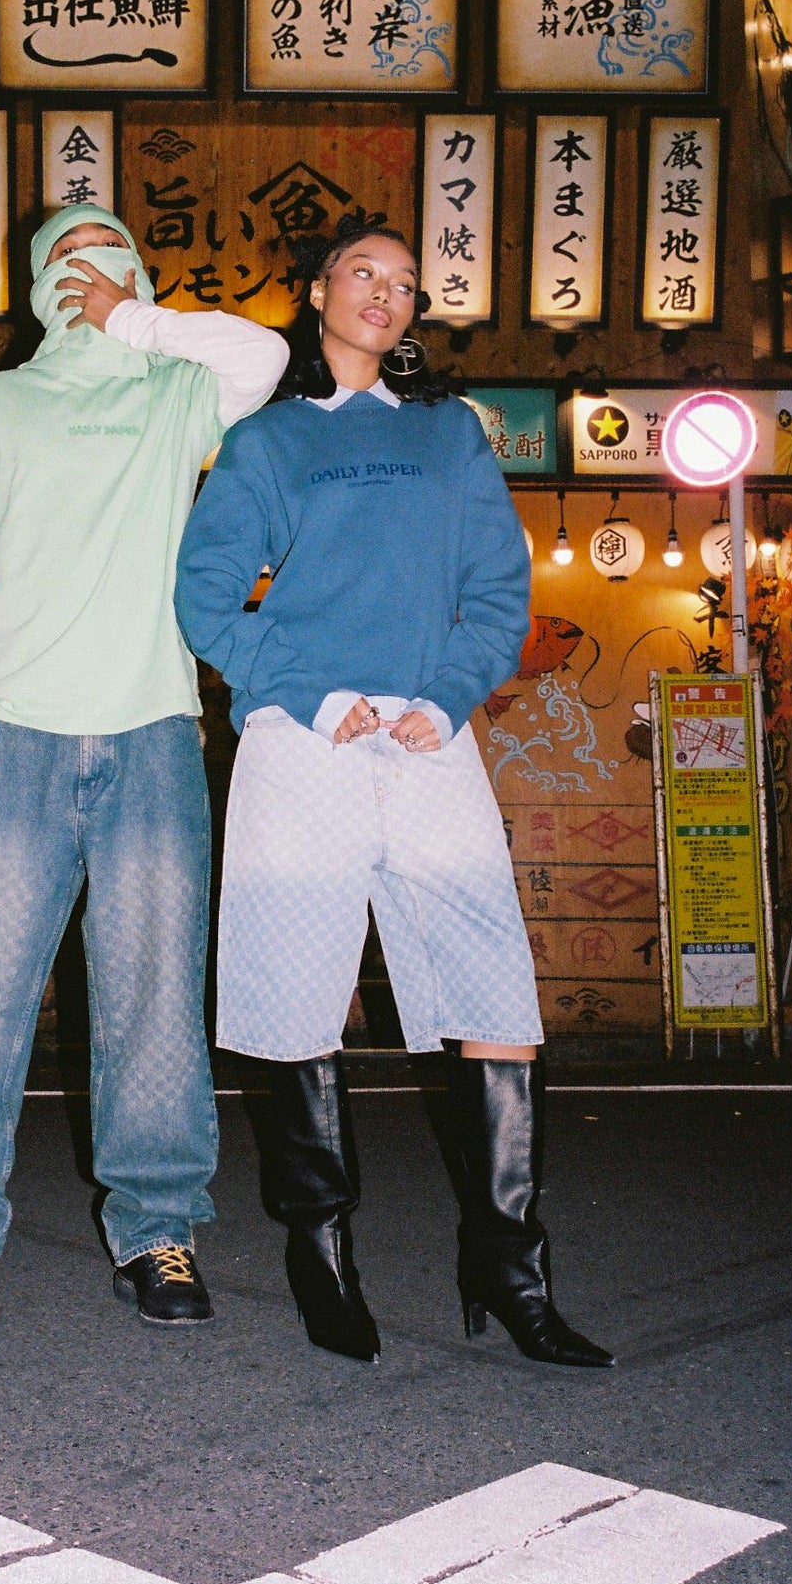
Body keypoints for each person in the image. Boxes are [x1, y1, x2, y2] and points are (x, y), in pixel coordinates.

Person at [175, 215, 612, 1370]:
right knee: (291, 999)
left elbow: (496, 591)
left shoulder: (448, 433)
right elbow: (205, 598)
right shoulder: (264, 441)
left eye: (405, 281)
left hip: (427, 737)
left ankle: (509, 1267)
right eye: (362, 272)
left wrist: (450, 694)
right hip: (300, 739)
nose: (385, 292)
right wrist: (312, 696)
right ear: (317, 291)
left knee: (493, 991)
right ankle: (320, 1254)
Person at [0, 203, 288, 1330]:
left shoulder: (174, 393)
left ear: (138, 277)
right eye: (64, 254)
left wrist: (135, 321)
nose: (87, 268)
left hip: (153, 730)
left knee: (155, 994)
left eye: (109, 253)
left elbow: (263, 355)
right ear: (30, 281)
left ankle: (159, 1231)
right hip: (10, 731)